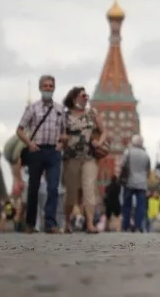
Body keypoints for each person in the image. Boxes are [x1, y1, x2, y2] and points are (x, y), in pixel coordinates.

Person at [15, 74, 67, 234]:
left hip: (53, 152)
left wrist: (60, 143)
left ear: (54, 88)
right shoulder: (33, 108)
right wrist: (29, 144)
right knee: (34, 188)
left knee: (53, 188)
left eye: (51, 86)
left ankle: (50, 223)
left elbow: (65, 132)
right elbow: (19, 130)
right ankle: (30, 223)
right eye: (45, 86)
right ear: (40, 88)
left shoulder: (59, 109)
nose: (48, 89)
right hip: (37, 150)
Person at [61, 86, 104, 234]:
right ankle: (67, 222)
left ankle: (90, 224)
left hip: (89, 157)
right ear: (74, 99)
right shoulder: (65, 116)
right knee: (71, 193)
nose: (86, 98)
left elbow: (103, 131)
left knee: (89, 189)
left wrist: (99, 142)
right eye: (82, 96)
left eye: (87, 96)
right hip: (71, 157)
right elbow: (59, 135)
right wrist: (63, 139)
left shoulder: (92, 113)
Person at [121, 135, 152, 232]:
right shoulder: (146, 154)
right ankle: (138, 226)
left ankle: (125, 226)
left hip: (129, 182)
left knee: (127, 205)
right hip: (142, 184)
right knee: (140, 206)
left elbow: (122, 165)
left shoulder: (128, 152)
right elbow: (148, 170)